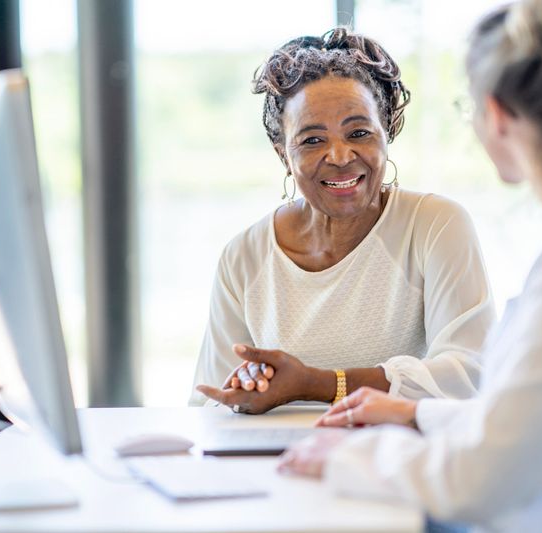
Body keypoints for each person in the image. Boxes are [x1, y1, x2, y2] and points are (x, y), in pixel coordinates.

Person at [277, 1, 542, 531]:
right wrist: (418, 413)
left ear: (494, 114)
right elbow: (530, 419)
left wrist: (346, 458)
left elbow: (478, 481)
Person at [190, 28, 496, 413]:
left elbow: (470, 375)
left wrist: (316, 384)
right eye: (312, 140)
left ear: (387, 133)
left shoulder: (436, 225)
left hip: (399, 464)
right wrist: (243, 389)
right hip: (280, 464)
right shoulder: (244, 256)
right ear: (283, 154)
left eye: (359, 132)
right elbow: (209, 402)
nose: (339, 156)